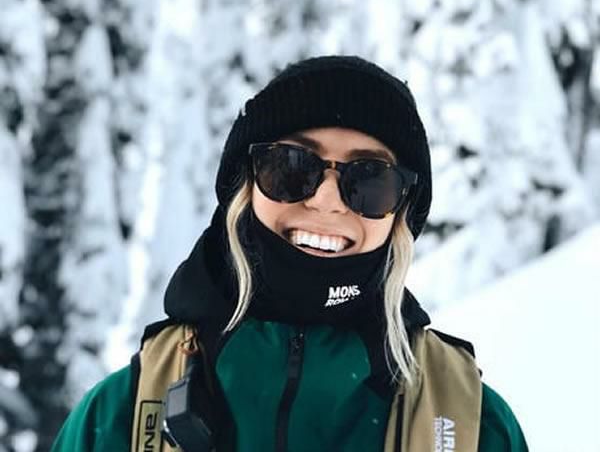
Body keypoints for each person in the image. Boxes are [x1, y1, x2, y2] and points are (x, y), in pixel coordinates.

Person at [51, 56, 528, 451]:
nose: (327, 200)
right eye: (292, 166)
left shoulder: (470, 427)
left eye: (369, 179)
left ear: (401, 212)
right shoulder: (119, 417)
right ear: (244, 187)